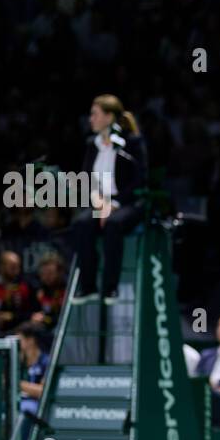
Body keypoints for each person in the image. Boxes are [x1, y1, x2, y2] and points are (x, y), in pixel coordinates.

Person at [70, 94, 148, 302]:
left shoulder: (131, 143)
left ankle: (110, 287)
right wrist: (99, 203)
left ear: (108, 116)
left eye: (95, 114)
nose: (91, 119)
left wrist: (114, 204)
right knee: (81, 224)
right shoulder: (92, 144)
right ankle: (88, 287)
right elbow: (87, 179)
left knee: (113, 225)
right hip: (101, 201)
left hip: (128, 202)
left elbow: (139, 180)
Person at [0, 250, 34, 332]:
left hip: (19, 328)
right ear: (2, 267)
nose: (16, 270)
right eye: (12, 266)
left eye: (18, 267)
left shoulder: (25, 287)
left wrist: (12, 316)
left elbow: (31, 312)